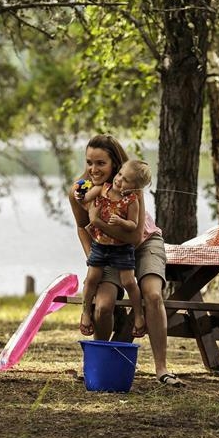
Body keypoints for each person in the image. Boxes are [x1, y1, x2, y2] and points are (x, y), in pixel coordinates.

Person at [69, 134, 184, 387]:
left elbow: (134, 237)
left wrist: (98, 223)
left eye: (101, 163)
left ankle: (162, 369)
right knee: (103, 305)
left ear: (114, 165)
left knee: (152, 295)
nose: (93, 169)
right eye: (89, 162)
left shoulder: (132, 190)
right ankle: (96, 364)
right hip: (107, 250)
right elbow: (81, 226)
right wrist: (94, 260)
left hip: (143, 244)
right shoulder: (81, 192)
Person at [79, 159, 152, 339]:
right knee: (91, 279)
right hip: (100, 246)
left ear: (134, 188)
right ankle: (86, 313)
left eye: (126, 180)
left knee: (128, 282)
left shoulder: (132, 201)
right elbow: (85, 199)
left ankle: (138, 315)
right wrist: (81, 194)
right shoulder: (104, 188)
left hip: (122, 249)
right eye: (120, 174)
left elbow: (133, 225)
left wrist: (121, 222)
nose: (119, 180)